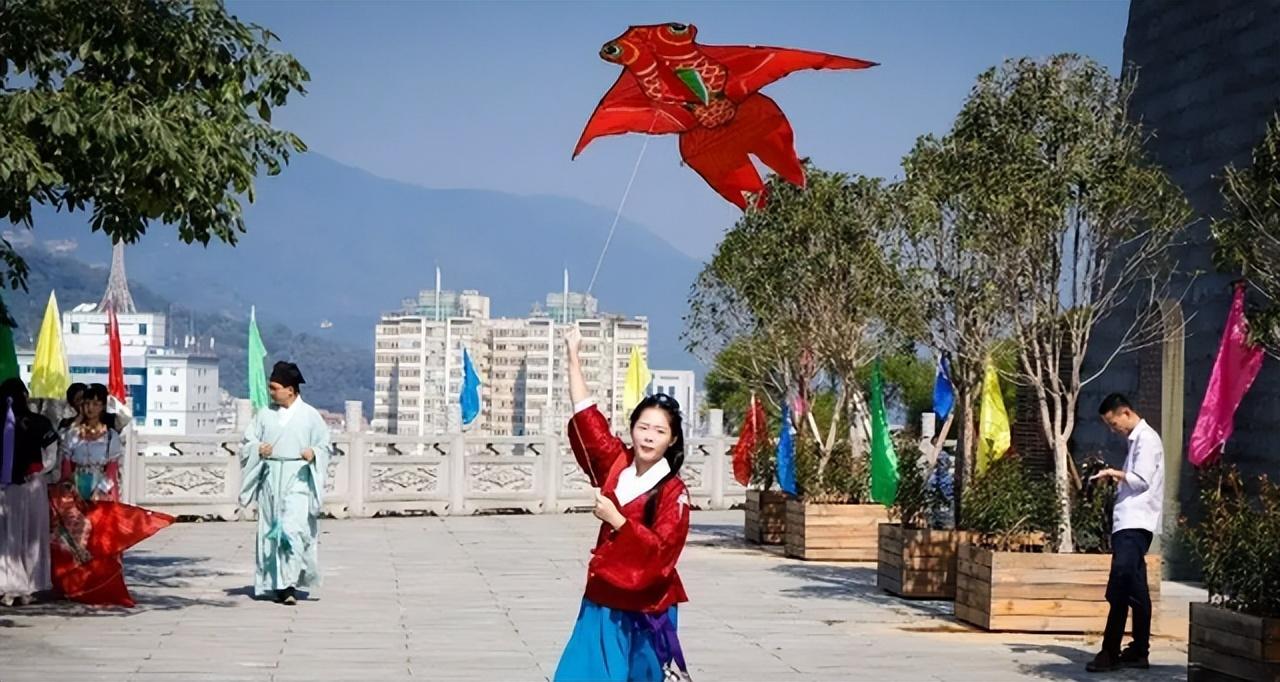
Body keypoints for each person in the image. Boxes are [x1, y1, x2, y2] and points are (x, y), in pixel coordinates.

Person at [554, 328, 692, 682]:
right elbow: (588, 418)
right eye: (643, 427)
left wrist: (617, 520)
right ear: (632, 428)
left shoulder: (674, 492)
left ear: (672, 439)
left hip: (647, 605)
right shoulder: (616, 463)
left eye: (659, 431)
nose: (648, 436)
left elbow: (662, 553)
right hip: (602, 597)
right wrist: (573, 356)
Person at [51, 383, 173, 606]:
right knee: (75, 540)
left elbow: (112, 469)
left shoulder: (110, 437)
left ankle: (103, 585)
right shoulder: (71, 435)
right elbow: (66, 465)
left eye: (97, 403)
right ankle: (77, 585)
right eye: (88, 403)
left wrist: (100, 491)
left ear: (102, 407)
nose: (91, 408)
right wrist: (71, 487)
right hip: (77, 486)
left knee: (102, 539)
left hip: (103, 489)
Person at [239, 361, 331, 605]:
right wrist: (258, 448)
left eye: (275, 387)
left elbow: (326, 445)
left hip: (297, 477)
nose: (271, 392)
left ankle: (289, 583)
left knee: (292, 530)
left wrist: (314, 452)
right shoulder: (264, 415)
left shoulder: (310, 416)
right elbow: (246, 443)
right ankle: (274, 582)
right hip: (271, 478)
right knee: (271, 531)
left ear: (290, 389)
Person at [1086, 393, 1165, 673]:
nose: (1113, 430)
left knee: (1118, 587)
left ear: (1126, 413)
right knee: (1136, 590)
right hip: (1129, 525)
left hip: (1134, 524)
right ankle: (1139, 651)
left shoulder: (1147, 440)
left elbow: (1141, 481)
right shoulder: (1138, 441)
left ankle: (1110, 652)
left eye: (1113, 423)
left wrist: (1112, 473)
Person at [0, 378, 59, 606]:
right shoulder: (39, 421)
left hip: (15, 487)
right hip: (29, 485)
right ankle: (26, 585)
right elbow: (52, 451)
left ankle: (12, 583)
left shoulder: (36, 422)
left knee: (10, 535)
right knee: (30, 534)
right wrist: (41, 468)